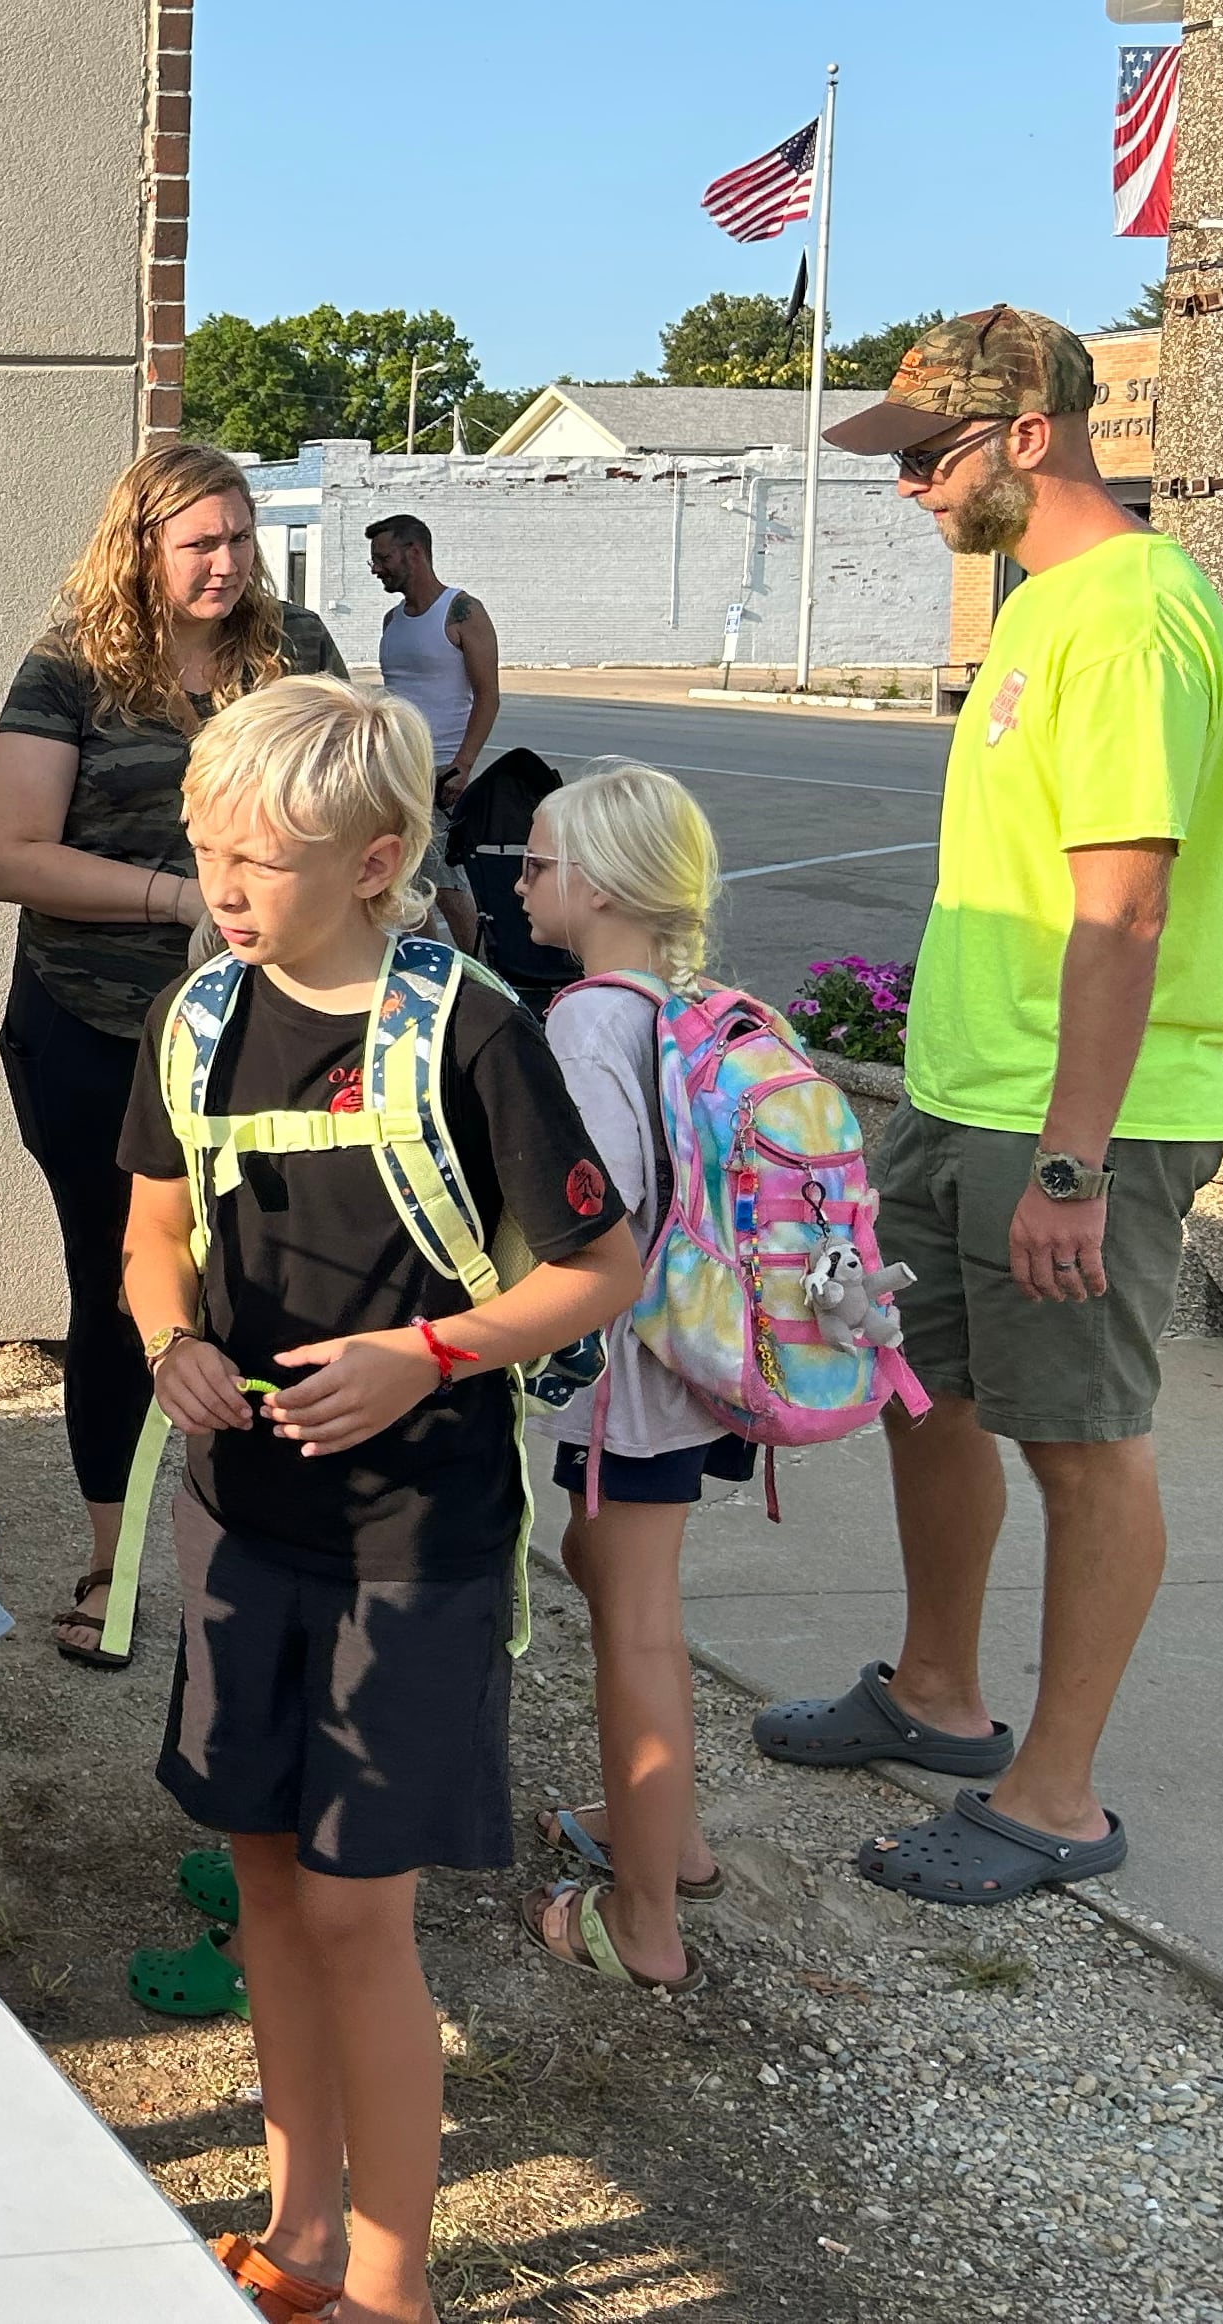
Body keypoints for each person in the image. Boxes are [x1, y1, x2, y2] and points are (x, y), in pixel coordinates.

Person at [120, 677, 638, 2324]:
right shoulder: (195, 1017)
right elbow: (148, 1232)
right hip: (242, 1517)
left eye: (257, 858)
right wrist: (168, 1339)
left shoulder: (472, 1026)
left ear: (379, 857)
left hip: (417, 1535)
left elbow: (601, 1263)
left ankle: (394, 2283)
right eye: (206, 850)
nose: (222, 887)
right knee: (269, 1877)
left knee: (358, 1908)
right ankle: (301, 2230)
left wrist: (430, 1353)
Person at [757, 307, 1223, 1902]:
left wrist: (1076, 1166)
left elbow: (1125, 910)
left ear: (1029, 433)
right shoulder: (1039, 609)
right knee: (930, 1395)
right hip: (969, 1087)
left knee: (1080, 1437)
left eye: (926, 459)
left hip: (1075, 1114)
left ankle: (1058, 1799)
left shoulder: (1133, 617)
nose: (907, 494)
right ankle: (939, 1696)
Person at [0, 443, 345, 1670]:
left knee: (273, 1283)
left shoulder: (294, 649)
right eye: (201, 543)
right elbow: (11, 854)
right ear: (140, 546)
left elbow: (371, 794)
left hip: (274, 1036)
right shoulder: (72, 663)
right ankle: (109, 1557)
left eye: (241, 539)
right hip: (94, 1030)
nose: (228, 564)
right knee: (121, 1286)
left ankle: (256, 1548)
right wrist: (175, 895)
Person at [514, 763, 755, 1994]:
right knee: (616, 1573)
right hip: (703, 1353)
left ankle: (645, 1916)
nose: (522, 879)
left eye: (541, 862)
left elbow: (588, 1218)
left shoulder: (587, 1021)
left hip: (636, 1374)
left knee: (637, 1618)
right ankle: (667, 1828)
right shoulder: (694, 1002)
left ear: (600, 884)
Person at [366, 514, 497, 950]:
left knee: (446, 882)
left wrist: (462, 766)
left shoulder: (462, 611)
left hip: (440, 769)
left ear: (414, 553)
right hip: (395, 766)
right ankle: (426, 963)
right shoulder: (392, 620)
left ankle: (483, 971)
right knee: (404, 878)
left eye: (384, 558)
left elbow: (488, 697)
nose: (377, 568)